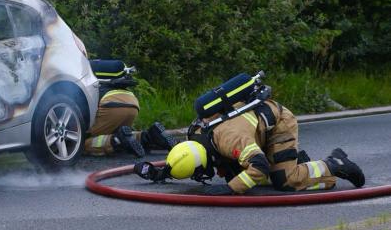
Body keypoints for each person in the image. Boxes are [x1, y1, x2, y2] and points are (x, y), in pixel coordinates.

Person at [134, 72, 365, 195]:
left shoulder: (229, 140)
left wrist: (231, 188)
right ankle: (293, 161)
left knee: (284, 181)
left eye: (199, 173)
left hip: (277, 123)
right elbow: (182, 159)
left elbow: (259, 164)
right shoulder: (195, 134)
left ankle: (334, 164)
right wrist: (159, 173)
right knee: (234, 171)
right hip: (251, 130)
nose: (201, 177)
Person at [84, 60, 176, 158]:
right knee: (122, 133)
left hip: (109, 103)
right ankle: (149, 137)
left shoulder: (82, 72)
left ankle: (116, 140)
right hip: (131, 100)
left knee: (82, 143)